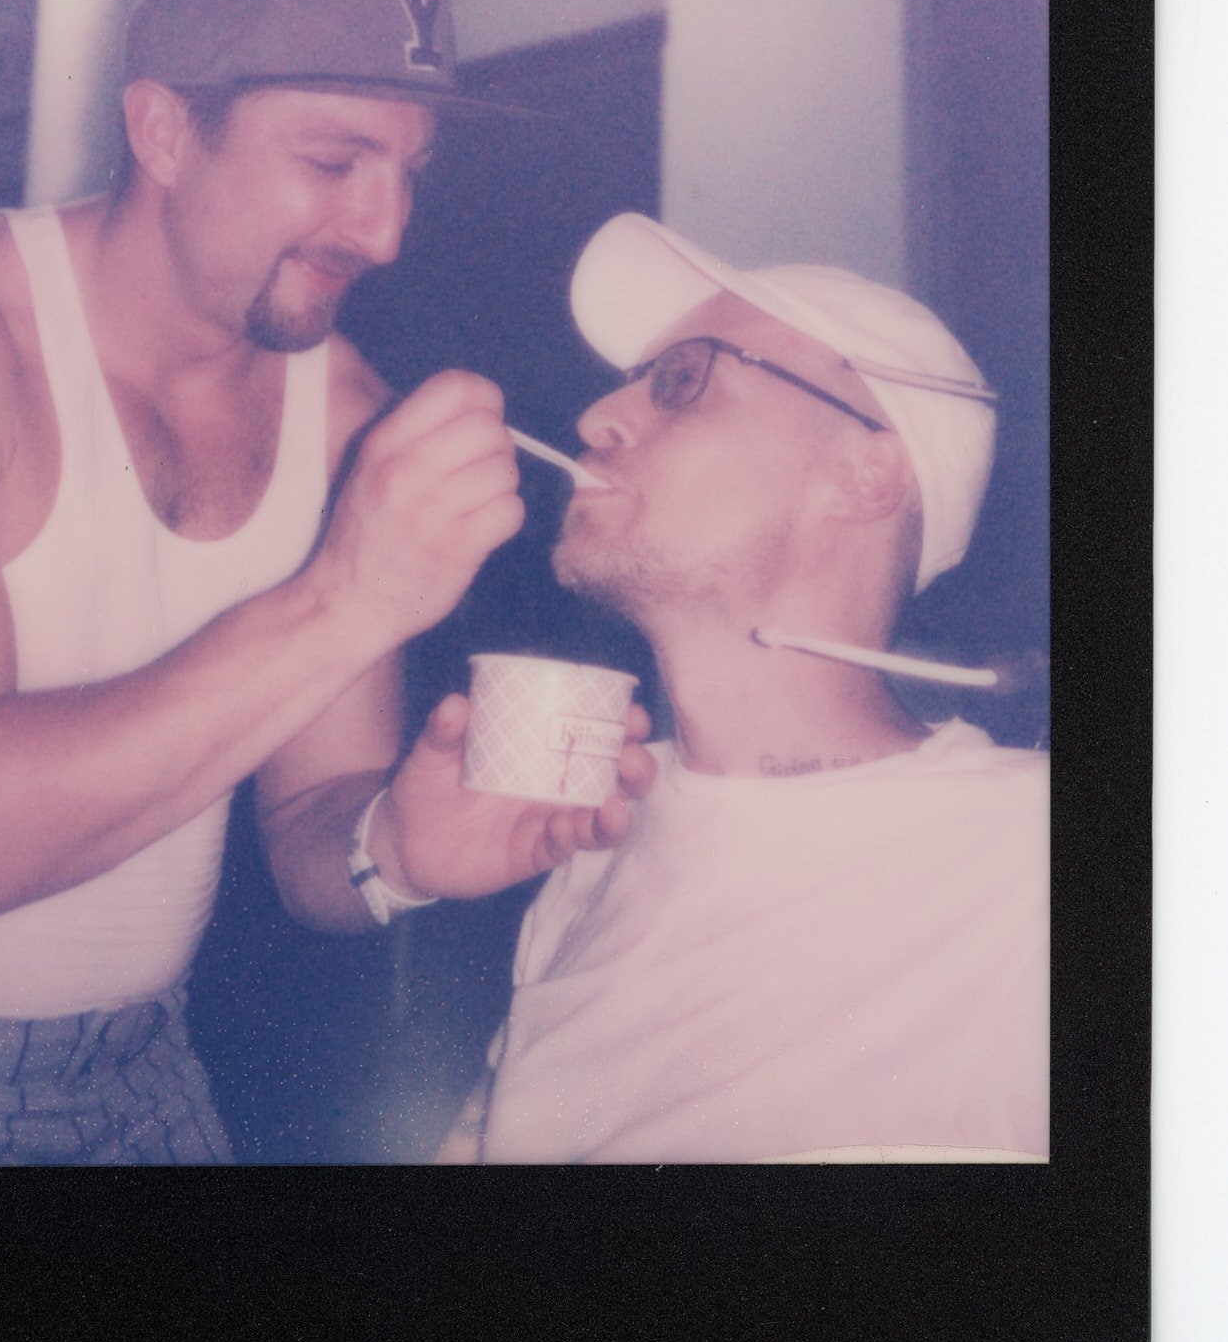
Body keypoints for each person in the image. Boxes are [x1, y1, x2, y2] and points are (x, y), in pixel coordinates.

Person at [0, 0, 649, 1166]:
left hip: (140, 1068)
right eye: (332, 163)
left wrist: (399, 844)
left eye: (407, 173)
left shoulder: (346, 415)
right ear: (162, 127)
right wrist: (342, 598)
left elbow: (315, 821)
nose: (383, 231)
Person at [437, 213, 1048, 1165]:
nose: (599, 417)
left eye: (681, 381)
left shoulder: (1028, 868)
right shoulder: (591, 848)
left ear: (865, 474)